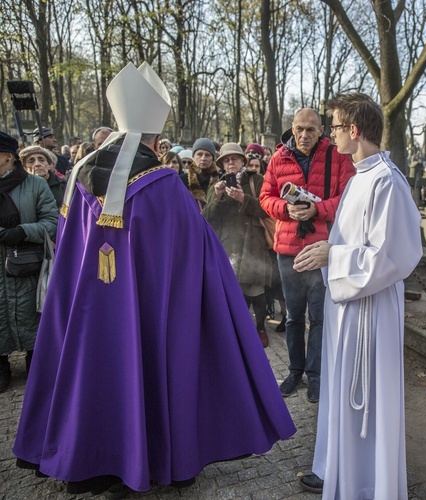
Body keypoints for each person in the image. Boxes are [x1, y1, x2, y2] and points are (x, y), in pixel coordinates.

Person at [13, 62, 296, 495]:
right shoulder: (164, 186)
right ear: (153, 138)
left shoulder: (78, 176)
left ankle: (87, 459)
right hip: (149, 309)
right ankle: (159, 456)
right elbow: (197, 257)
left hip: (85, 309)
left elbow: (69, 246)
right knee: (150, 363)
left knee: (94, 367)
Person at [296, 93, 422, 498]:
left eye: (333, 127)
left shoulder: (387, 180)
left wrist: (334, 253)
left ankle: (367, 485)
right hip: (347, 306)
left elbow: (396, 255)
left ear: (354, 130)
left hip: (371, 308)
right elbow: (352, 239)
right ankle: (338, 470)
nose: (330, 136)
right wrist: (328, 251)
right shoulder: (359, 177)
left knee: (364, 399)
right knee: (341, 392)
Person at [259, 108, 355, 403]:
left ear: (322, 130)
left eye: (311, 130)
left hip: (321, 249)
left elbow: (349, 197)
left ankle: (316, 375)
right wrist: (284, 209)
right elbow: (266, 197)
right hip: (288, 249)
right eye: (299, 129)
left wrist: (318, 209)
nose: (304, 135)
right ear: (292, 127)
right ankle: (294, 370)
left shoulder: (337, 156)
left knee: (319, 317)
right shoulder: (278, 158)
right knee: (293, 317)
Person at [0, 133, 58, 393]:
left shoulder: (35, 185)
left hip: (27, 264)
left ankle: (35, 362)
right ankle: (2, 367)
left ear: (8, 157)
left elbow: (52, 222)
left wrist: (23, 230)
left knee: (30, 314)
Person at [204, 143, 273, 348]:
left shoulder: (257, 180)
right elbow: (207, 217)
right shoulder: (216, 185)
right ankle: (240, 330)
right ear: (222, 165)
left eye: (234, 158)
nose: (231, 162)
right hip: (229, 247)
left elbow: (267, 209)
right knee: (237, 292)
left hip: (253, 242)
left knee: (257, 290)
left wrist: (245, 199)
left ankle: (260, 328)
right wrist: (217, 198)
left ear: (243, 161)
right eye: (226, 160)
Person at [180, 138, 220, 210]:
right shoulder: (181, 180)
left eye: (207, 155)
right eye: (199, 154)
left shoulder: (220, 180)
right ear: (193, 156)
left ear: (213, 158)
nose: (203, 158)